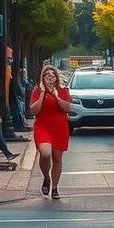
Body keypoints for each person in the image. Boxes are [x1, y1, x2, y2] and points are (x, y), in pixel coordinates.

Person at [29, 65, 71, 200]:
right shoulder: (37, 91)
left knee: (57, 159)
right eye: (46, 75)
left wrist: (56, 96)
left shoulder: (62, 91)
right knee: (45, 153)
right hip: (43, 126)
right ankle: (46, 178)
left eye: (52, 75)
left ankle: (55, 188)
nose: (50, 78)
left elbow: (67, 108)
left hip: (59, 128)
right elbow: (33, 110)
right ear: (42, 78)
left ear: (56, 78)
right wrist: (42, 93)